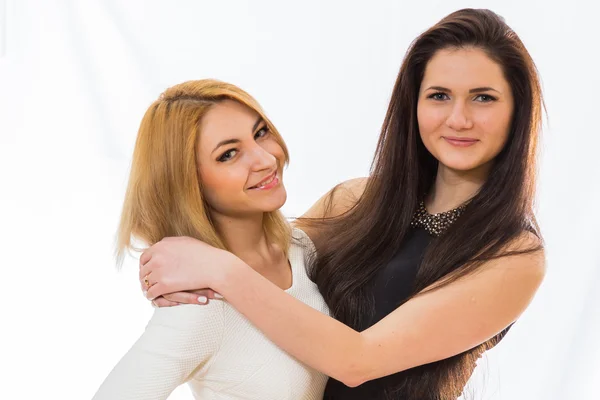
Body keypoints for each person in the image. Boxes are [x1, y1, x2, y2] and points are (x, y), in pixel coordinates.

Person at [140, 8, 546, 400]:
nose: (458, 119)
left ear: (516, 110)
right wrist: (170, 270)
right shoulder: (355, 198)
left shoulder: (513, 256)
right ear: (414, 103)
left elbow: (357, 361)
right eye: (439, 95)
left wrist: (218, 269)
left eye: (483, 98)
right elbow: (266, 270)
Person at [93, 79, 329, 399]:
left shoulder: (302, 250)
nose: (264, 159)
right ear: (187, 181)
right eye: (229, 154)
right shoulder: (201, 304)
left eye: (260, 133)